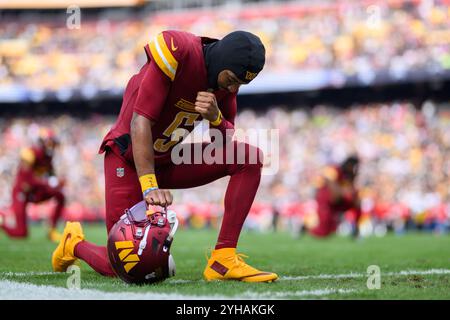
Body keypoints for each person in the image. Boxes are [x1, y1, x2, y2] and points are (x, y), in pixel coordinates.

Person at [52, 30, 278, 282]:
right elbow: (140, 122)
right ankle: (74, 244)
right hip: (128, 159)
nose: (234, 87)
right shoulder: (178, 51)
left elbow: (223, 143)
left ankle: (223, 259)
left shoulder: (225, 83)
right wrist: (149, 187)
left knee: (248, 157)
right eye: (233, 79)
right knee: (126, 263)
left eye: (241, 84)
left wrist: (216, 118)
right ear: (223, 60)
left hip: (170, 157)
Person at [0, 128, 65, 242]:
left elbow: (50, 175)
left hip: (36, 190)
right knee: (21, 233)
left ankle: (52, 230)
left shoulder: (48, 157)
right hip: (22, 192)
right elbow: (28, 182)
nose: (52, 145)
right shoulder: (29, 153)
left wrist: (56, 182)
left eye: (53, 142)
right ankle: (1, 221)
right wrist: (49, 183)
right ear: (42, 142)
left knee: (60, 195)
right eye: (49, 142)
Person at [310, 156, 362, 238]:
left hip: (337, 201)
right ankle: (304, 228)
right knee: (323, 232)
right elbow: (332, 185)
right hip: (326, 200)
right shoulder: (335, 170)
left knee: (357, 203)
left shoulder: (350, 175)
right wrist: (344, 192)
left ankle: (356, 228)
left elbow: (350, 191)